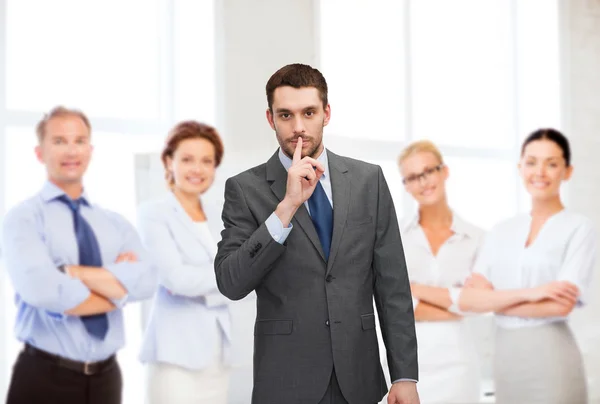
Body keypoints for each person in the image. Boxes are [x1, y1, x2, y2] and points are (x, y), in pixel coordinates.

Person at [214, 63, 419, 404]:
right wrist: (287, 206)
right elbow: (231, 283)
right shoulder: (245, 189)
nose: (298, 127)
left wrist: (404, 374)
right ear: (270, 119)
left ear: (326, 113)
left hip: (359, 378)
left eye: (308, 113)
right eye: (285, 116)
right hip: (285, 382)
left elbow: (392, 285)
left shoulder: (368, 181)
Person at [1, 106, 157, 404]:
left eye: (79, 140)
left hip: (107, 379)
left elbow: (147, 281)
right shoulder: (23, 219)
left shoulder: (115, 223)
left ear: (90, 150)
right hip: (44, 378)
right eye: (59, 141)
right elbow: (42, 290)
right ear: (39, 152)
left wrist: (71, 272)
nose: (71, 150)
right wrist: (119, 290)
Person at [457, 128, 595, 404]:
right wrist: (533, 294)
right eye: (531, 162)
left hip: (552, 356)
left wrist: (492, 299)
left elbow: (560, 305)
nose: (540, 172)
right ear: (520, 167)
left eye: (552, 163)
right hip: (506, 358)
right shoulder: (500, 231)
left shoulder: (580, 228)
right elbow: (469, 300)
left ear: (567, 171)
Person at [137, 121, 232, 404]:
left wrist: (222, 279)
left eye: (207, 161)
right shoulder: (153, 214)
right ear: (169, 161)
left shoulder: (220, 216)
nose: (198, 169)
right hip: (175, 359)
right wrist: (232, 277)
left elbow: (248, 278)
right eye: (187, 160)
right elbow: (175, 279)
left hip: (219, 356)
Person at [397, 140, 483, 403]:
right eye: (412, 177)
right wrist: (454, 301)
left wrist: (412, 291)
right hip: (404, 366)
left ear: (444, 171)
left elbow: (477, 304)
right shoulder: (394, 237)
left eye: (428, 171)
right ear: (406, 186)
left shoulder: (477, 238)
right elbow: (386, 303)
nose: (422, 182)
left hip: (459, 364)